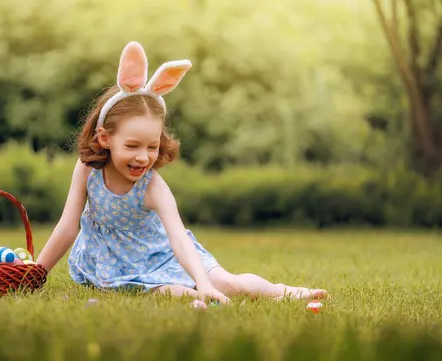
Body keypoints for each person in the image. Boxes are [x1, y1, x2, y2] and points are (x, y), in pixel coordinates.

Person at [35, 41, 328, 306]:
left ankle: (282, 292)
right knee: (170, 294)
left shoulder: (153, 187)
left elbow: (178, 238)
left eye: (152, 146)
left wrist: (204, 282)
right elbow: (67, 227)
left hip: (164, 255)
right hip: (114, 263)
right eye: (132, 145)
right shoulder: (88, 170)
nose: (143, 157)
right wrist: (36, 274)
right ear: (104, 138)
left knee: (227, 283)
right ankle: (201, 295)